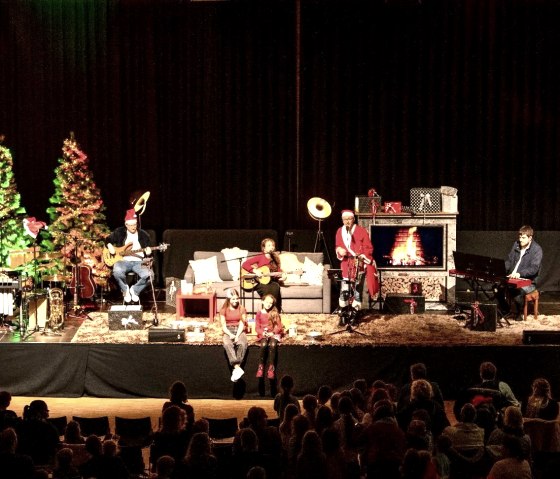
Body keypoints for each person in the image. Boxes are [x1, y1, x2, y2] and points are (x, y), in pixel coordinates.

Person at [105, 208, 153, 303]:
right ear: (126, 224)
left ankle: (135, 290)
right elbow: (108, 240)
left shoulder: (143, 235)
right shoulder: (119, 232)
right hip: (122, 260)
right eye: (130, 225)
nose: (133, 227)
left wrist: (148, 252)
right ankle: (125, 290)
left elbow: (149, 249)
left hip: (139, 261)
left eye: (134, 224)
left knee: (149, 275)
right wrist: (110, 246)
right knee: (117, 272)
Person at [335, 209, 379, 310]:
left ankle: (355, 310)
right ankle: (344, 310)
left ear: (353, 219)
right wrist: (339, 250)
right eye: (345, 219)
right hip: (346, 264)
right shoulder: (339, 232)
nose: (347, 221)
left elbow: (369, 247)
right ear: (342, 220)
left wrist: (362, 256)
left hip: (359, 264)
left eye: (349, 219)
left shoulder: (362, 231)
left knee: (357, 290)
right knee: (345, 289)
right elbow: (337, 246)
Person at [501, 225, 543, 320]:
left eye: (523, 237)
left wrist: (519, 274)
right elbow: (509, 261)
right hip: (513, 277)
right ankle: (505, 311)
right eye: (520, 237)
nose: (520, 240)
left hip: (529, 281)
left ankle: (518, 312)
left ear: (530, 238)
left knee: (517, 291)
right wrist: (501, 270)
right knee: (498, 286)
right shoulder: (516, 244)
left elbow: (534, 269)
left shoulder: (537, 250)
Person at [242, 238, 286, 310]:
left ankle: (273, 310)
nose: (272, 247)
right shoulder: (260, 256)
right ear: (264, 248)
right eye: (269, 245)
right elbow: (245, 264)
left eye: (273, 245)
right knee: (269, 287)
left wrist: (283, 277)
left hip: (271, 281)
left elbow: (278, 271)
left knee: (275, 285)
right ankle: (266, 311)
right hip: (260, 281)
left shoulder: (276, 258)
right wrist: (254, 270)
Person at [219, 288, 249, 382]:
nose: (235, 301)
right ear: (229, 299)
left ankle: (237, 369)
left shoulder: (242, 308)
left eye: (237, 298)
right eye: (233, 299)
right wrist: (230, 334)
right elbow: (223, 325)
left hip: (239, 329)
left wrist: (236, 336)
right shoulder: (223, 310)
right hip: (228, 330)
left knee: (242, 344)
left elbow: (242, 323)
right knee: (227, 344)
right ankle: (237, 367)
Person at [255, 294, 284, 380]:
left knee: (273, 344)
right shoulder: (259, 313)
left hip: (273, 334)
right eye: (267, 302)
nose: (268, 304)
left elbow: (279, 326)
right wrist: (262, 333)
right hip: (264, 334)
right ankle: (260, 367)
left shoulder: (274, 313)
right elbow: (257, 327)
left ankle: (271, 368)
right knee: (263, 344)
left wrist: (273, 333)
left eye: (270, 303)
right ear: (262, 301)